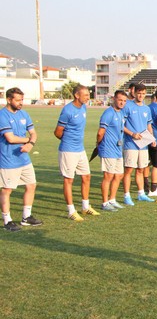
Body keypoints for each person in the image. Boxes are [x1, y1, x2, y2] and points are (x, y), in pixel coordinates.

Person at [54, 84, 100, 221]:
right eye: (85, 95)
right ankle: (71, 210)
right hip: (68, 150)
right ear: (77, 95)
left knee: (86, 176)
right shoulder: (67, 110)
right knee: (69, 180)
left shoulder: (84, 108)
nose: (88, 97)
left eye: (88, 94)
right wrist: (68, 141)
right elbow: (57, 132)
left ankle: (85, 207)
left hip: (80, 150)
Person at [0, 88, 42, 231]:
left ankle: (26, 217)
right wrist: (28, 140)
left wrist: (30, 143)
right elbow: (10, 138)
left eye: (22, 100)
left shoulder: (24, 114)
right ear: (9, 100)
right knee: (7, 190)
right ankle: (7, 220)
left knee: (31, 185)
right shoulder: (2, 115)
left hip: (24, 159)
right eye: (18, 100)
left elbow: (33, 133)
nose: (21, 103)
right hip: (8, 160)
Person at [122, 84, 155, 205]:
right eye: (139, 93)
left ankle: (141, 193)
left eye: (143, 93)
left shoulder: (147, 109)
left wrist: (152, 138)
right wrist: (132, 134)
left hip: (144, 144)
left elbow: (149, 125)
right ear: (134, 93)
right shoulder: (128, 106)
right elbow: (122, 125)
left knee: (141, 169)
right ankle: (126, 195)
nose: (141, 96)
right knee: (129, 170)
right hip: (131, 144)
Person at [97, 91, 127, 212]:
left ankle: (112, 199)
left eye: (124, 101)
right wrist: (99, 144)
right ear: (114, 99)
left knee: (119, 175)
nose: (122, 103)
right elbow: (100, 132)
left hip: (118, 149)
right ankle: (104, 203)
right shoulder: (108, 113)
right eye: (120, 100)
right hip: (108, 149)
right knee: (108, 176)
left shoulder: (121, 113)